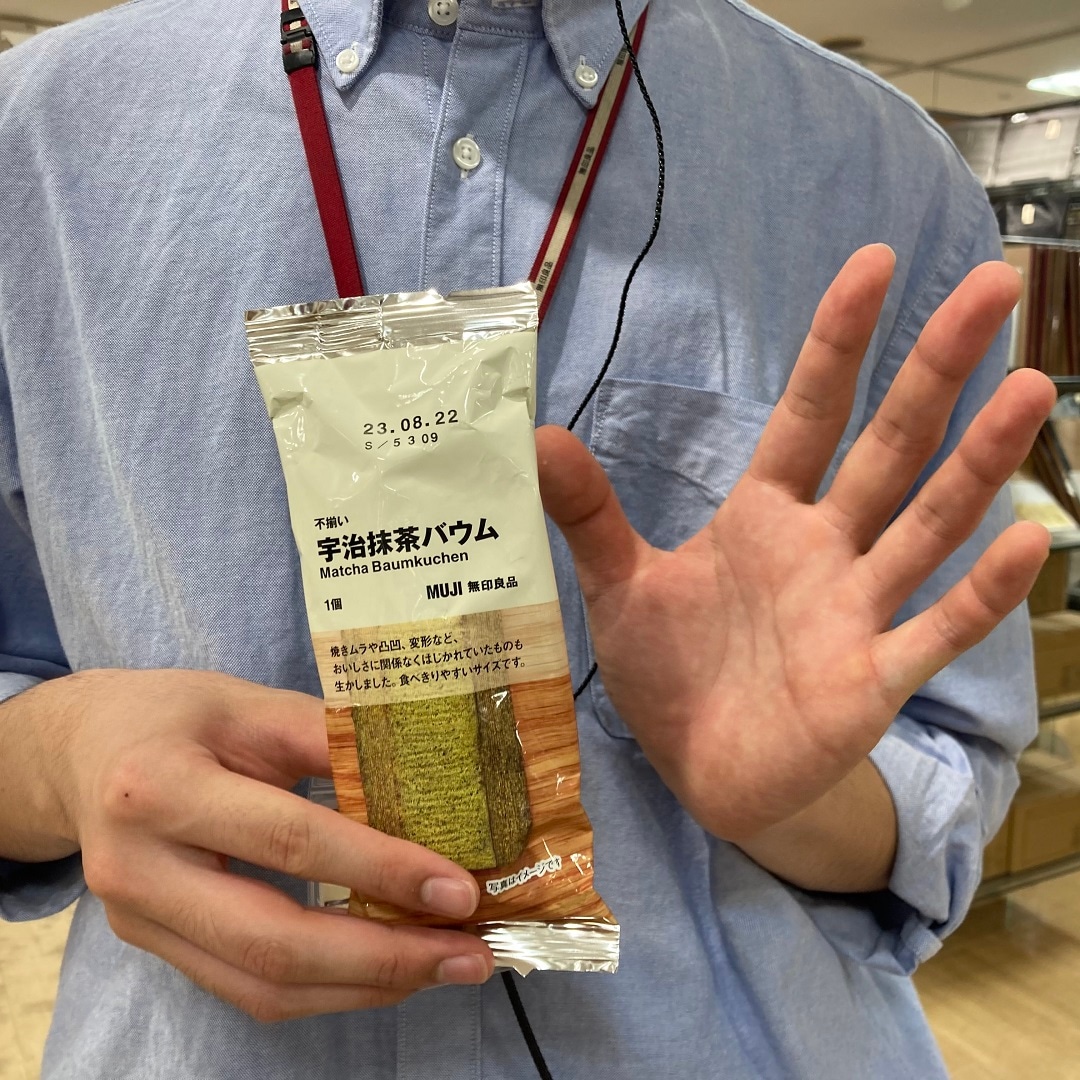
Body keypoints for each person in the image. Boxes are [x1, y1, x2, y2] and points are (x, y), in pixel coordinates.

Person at [0, 0, 1053, 1075]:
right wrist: (63, 755)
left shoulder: (882, 176)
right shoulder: (39, 131)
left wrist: (798, 799)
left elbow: (952, 784)